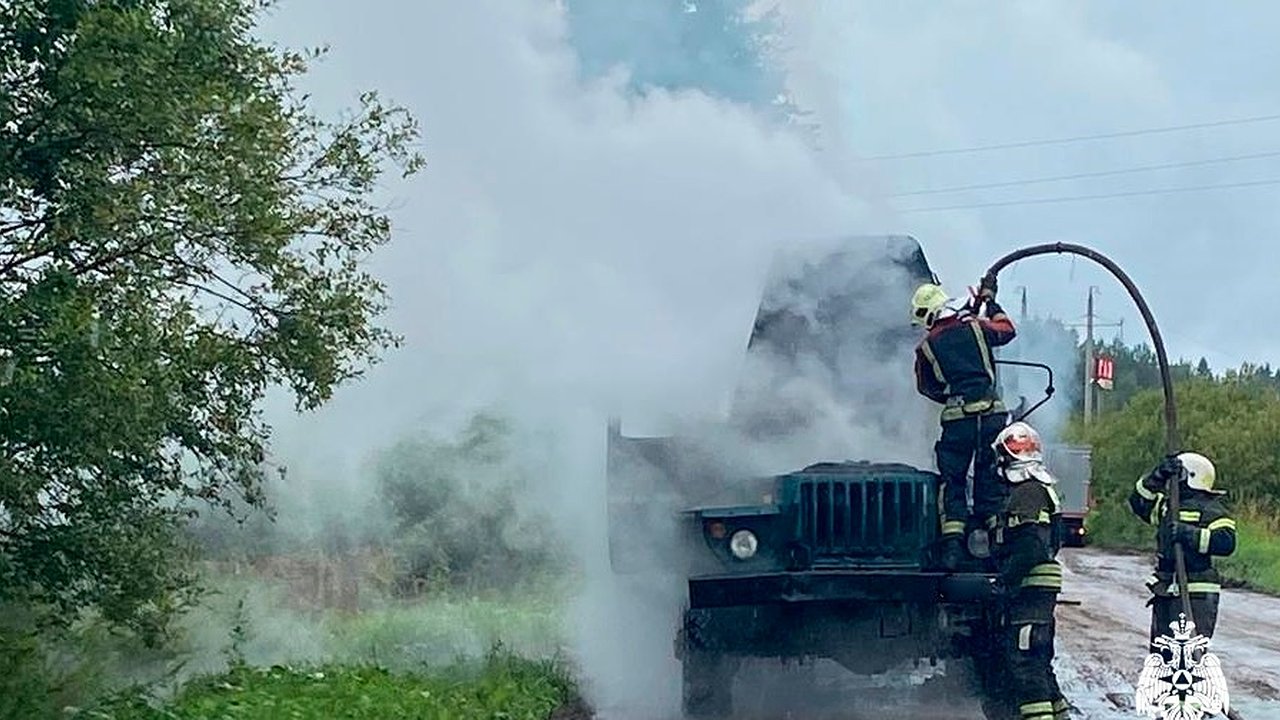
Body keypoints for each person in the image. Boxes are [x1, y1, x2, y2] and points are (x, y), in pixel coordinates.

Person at [912, 275, 1017, 568]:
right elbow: (1007, 330)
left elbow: (925, 387)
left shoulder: (926, 347)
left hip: (957, 421)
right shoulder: (975, 326)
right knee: (991, 478)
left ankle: (953, 548)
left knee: (952, 481)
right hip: (992, 417)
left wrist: (951, 397)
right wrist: (990, 301)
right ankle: (994, 544)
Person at [991, 421, 1070, 720]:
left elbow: (1030, 545)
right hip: (1037, 591)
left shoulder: (1027, 492)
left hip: (1029, 590)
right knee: (1039, 664)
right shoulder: (1041, 488)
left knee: (1025, 665)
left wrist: (1005, 581)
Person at [1128, 452, 1237, 654]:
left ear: (1191, 476)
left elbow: (1226, 542)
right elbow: (1138, 502)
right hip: (1166, 588)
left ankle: (1188, 686)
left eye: (1178, 475)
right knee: (1163, 655)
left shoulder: (1211, 508)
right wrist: (1157, 475)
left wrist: (1188, 534)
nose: (1174, 481)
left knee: (1189, 654)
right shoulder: (1167, 506)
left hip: (1196, 591)